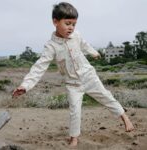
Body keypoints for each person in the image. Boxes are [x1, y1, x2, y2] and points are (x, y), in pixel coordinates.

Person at [12, 2, 134, 147]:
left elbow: (84, 44)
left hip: (89, 77)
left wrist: (94, 53)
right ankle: (74, 137)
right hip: (72, 84)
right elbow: (39, 67)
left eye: (74, 24)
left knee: (107, 97)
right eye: (67, 23)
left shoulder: (76, 35)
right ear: (55, 22)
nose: (71, 27)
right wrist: (25, 85)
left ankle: (125, 118)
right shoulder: (51, 46)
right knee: (75, 111)